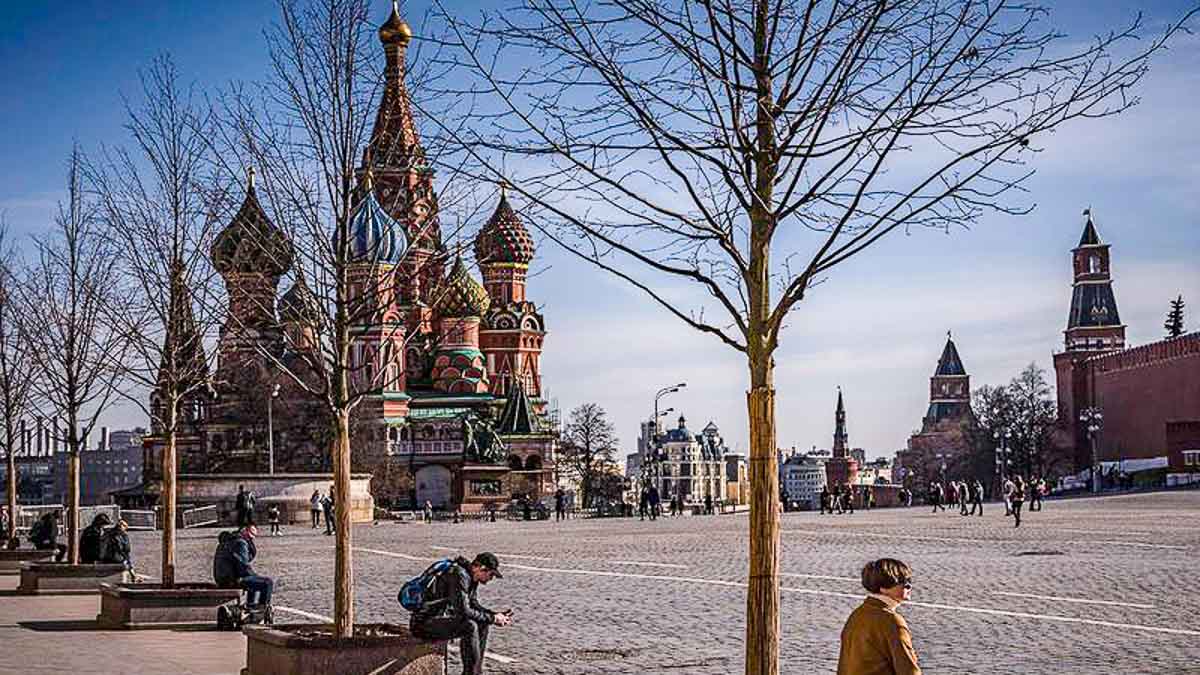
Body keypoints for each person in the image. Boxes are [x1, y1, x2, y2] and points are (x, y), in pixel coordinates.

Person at [410, 552, 512, 675]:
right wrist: (493, 618)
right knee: (469, 626)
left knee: (483, 623)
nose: (491, 579)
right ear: (481, 568)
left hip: (441, 620)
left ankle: (476, 672)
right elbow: (463, 611)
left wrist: (495, 615)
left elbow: (473, 605)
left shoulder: (471, 578)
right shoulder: (458, 575)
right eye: (491, 575)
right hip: (423, 624)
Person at [837, 558, 922, 675]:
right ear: (883, 588)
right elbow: (908, 670)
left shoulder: (857, 614)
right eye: (904, 582)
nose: (909, 586)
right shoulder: (891, 621)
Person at [213, 525, 273, 611]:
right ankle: (261, 609)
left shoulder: (227, 541)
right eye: (251, 536)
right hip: (231, 580)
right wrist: (255, 576)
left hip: (222, 579)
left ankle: (250, 606)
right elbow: (243, 567)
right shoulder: (240, 543)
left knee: (252, 580)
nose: (251, 539)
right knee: (267, 583)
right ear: (245, 532)